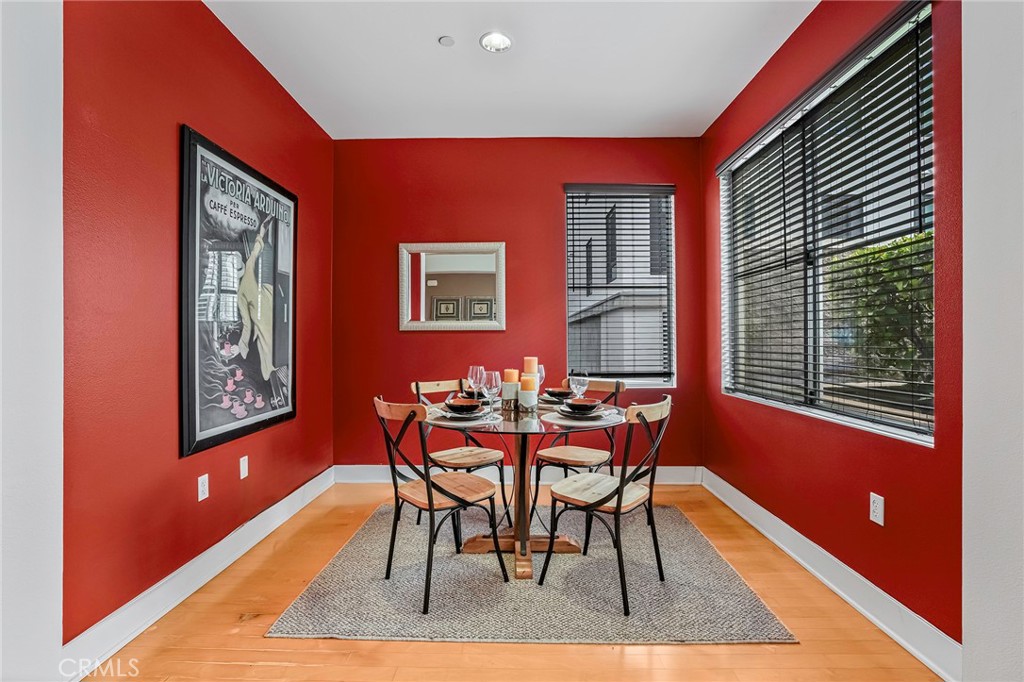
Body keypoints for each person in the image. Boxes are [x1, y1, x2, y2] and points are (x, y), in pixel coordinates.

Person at [236, 215, 276, 381]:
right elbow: (257, 249)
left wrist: (242, 347)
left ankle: (272, 373)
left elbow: (247, 325)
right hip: (271, 296)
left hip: (265, 314)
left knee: (267, 349)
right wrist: (262, 231)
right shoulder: (249, 265)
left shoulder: (240, 294)